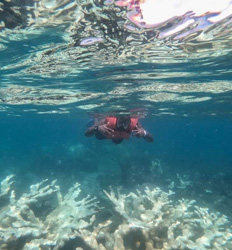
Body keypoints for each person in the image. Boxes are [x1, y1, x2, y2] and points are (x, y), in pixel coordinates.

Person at [85, 116, 153, 144]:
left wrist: (143, 133)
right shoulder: (107, 121)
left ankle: (94, 119)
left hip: (104, 134)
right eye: (120, 123)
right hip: (102, 133)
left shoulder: (135, 125)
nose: (122, 126)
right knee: (98, 133)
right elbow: (86, 134)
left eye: (125, 124)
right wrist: (97, 128)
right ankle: (94, 118)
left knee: (98, 134)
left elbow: (151, 140)